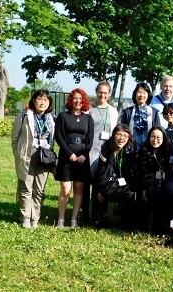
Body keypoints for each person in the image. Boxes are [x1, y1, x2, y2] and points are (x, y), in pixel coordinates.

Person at [12, 89, 55, 228]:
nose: (42, 102)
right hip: (27, 155)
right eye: (39, 99)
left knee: (39, 190)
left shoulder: (52, 118)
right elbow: (15, 138)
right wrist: (18, 154)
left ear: (49, 103)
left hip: (44, 157)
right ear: (34, 100)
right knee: (26, 187)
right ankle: (25, 217)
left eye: (45, 100)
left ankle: (35, 218)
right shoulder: (24, 115)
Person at [54, 88, 94, 228]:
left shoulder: (88, 118)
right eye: (75, 98)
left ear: (84, 101)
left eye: (80, 98)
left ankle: (73, 220)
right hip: (66, 156)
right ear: (71, 100)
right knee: (65, 188)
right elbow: (58, 137)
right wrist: (69, 153)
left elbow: (90, 140)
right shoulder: (62, 116)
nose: (78, 101)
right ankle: (61, 219)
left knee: (78, 188)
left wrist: (84, 154)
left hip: (82, 158)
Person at [86, 81, 118, 224]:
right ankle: (88, 215)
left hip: (105, 150)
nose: (102, 95)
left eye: (105, 93)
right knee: (89, 184)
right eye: (100, 92)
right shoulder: (89, 109)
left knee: (103, 183)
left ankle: (102, 214)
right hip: (90, 150)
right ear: (96, 92)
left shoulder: (113, 110)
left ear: (109, 94)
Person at [94, 124, 137, 228]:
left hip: (123, 181)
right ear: (113, 135)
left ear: (129, 137)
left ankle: (126, 222)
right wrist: (100, 189)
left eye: (125, 135)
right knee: (101, 193)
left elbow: (132, 172)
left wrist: (132, 187)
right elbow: (101, 169)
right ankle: (103, 220)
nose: (121, 138)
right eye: (118, 134)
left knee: (131, 194)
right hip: (108, 180)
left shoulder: (130, 149)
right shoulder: (106, 148)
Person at [137, 126, 172, 234]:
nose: (155, 140)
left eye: (158, 137)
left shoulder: (167, 149)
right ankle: (145, 225)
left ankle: (163, 226)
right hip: (148, 183)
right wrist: (144, 188)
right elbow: (141, 171)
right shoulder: (144, 149)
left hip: (164, 181)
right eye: (152, 136)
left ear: (163, 138)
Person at [120, 82, 161, 151]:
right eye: (139, 92)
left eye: (144, 93)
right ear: (135, 94)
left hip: (149, 150)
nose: (141, 95)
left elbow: (158, 132)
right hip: (131, 150)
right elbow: (123, 131)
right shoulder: (127, 112)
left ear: (148, 95)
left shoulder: (154, 112)